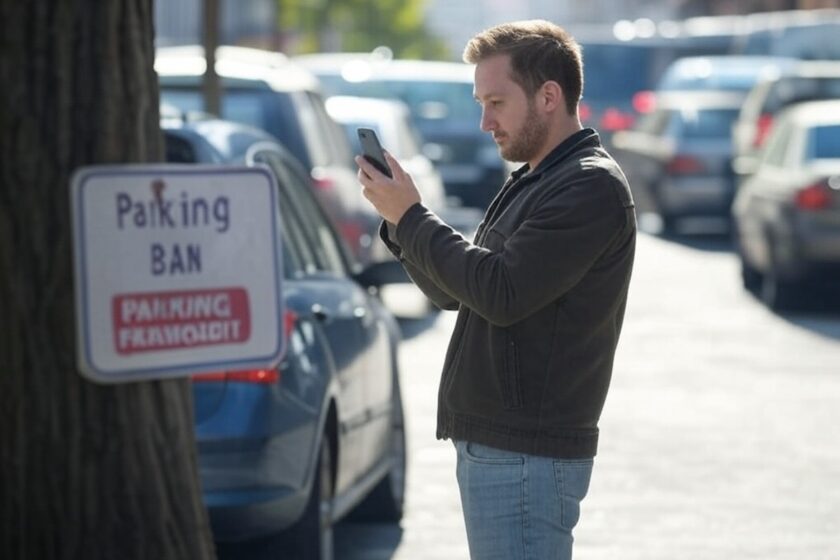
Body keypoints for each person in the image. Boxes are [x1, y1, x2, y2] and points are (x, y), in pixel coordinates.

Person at [356, 19, 636, 560]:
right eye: (481, 103)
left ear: (549, 96)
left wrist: (412, 216)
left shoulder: (588, 185)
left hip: (526, 452)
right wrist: (398, 225)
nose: (484, 122)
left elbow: (501, 293)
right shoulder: (537, 177)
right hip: (502, 446)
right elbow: (455, 293)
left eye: (497, 102)